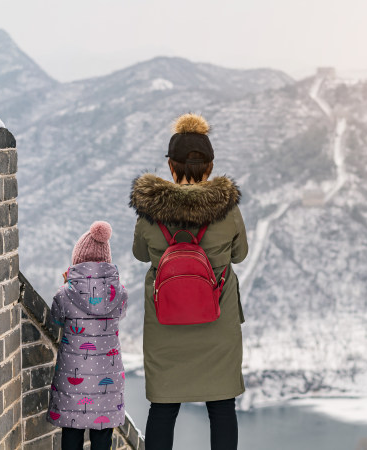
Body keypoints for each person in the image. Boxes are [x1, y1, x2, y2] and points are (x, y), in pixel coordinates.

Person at [129, 113, 248, 450]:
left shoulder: (149, 210)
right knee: (222, 407)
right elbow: (239, 255)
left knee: (163, 410)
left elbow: (140, 254)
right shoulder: (228, 209)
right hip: (217, 323)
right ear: (210, 167)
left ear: (170, 166)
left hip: (166, 325)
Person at [46, 221, 128, 450]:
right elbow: (120, 313)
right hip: (107, 380)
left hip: (74, 378)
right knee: (102, 438)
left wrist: (67, 284)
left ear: (77, 259)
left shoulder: (65, 294)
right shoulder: (119, 294)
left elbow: (56, 319)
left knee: (72, 434)